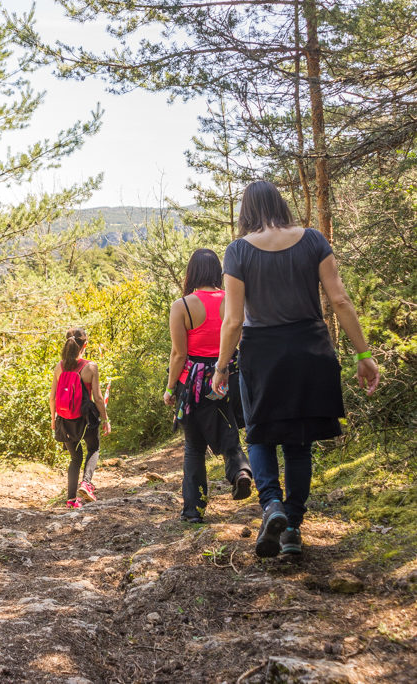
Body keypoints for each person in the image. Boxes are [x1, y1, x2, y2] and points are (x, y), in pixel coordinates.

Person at [212, 180, 380, 557]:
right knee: (298, 444)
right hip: (310, 349)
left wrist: (221, 367)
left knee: (259, 436)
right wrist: (362, 355)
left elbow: (233, 321)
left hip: (263, 355)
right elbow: (338, 298)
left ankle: (271, 504)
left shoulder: (238, 250)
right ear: (280, 204)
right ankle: (292, 529)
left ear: (246, 211)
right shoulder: (314, 240)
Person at [163, 249, 253, 523]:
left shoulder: (182, 306)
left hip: (195, 382)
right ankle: (240, 471)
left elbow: (179, 354)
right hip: (231, 375)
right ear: (218, 271)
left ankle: (193, 510)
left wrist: (169, 389)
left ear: (191, 271)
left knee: (194, 446)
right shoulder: (231, 300)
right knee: (226, 426)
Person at [50, 328, 111, 509]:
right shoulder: (90, 367)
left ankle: (71, 500)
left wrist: (53, 420)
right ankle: (86, 484)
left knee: (75, 458)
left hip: (64, 419)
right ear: (85, 345)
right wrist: (105, 419)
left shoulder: (59, 367)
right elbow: (98, 398)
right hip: (86, 419)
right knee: (94, 448)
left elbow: (52, 397)